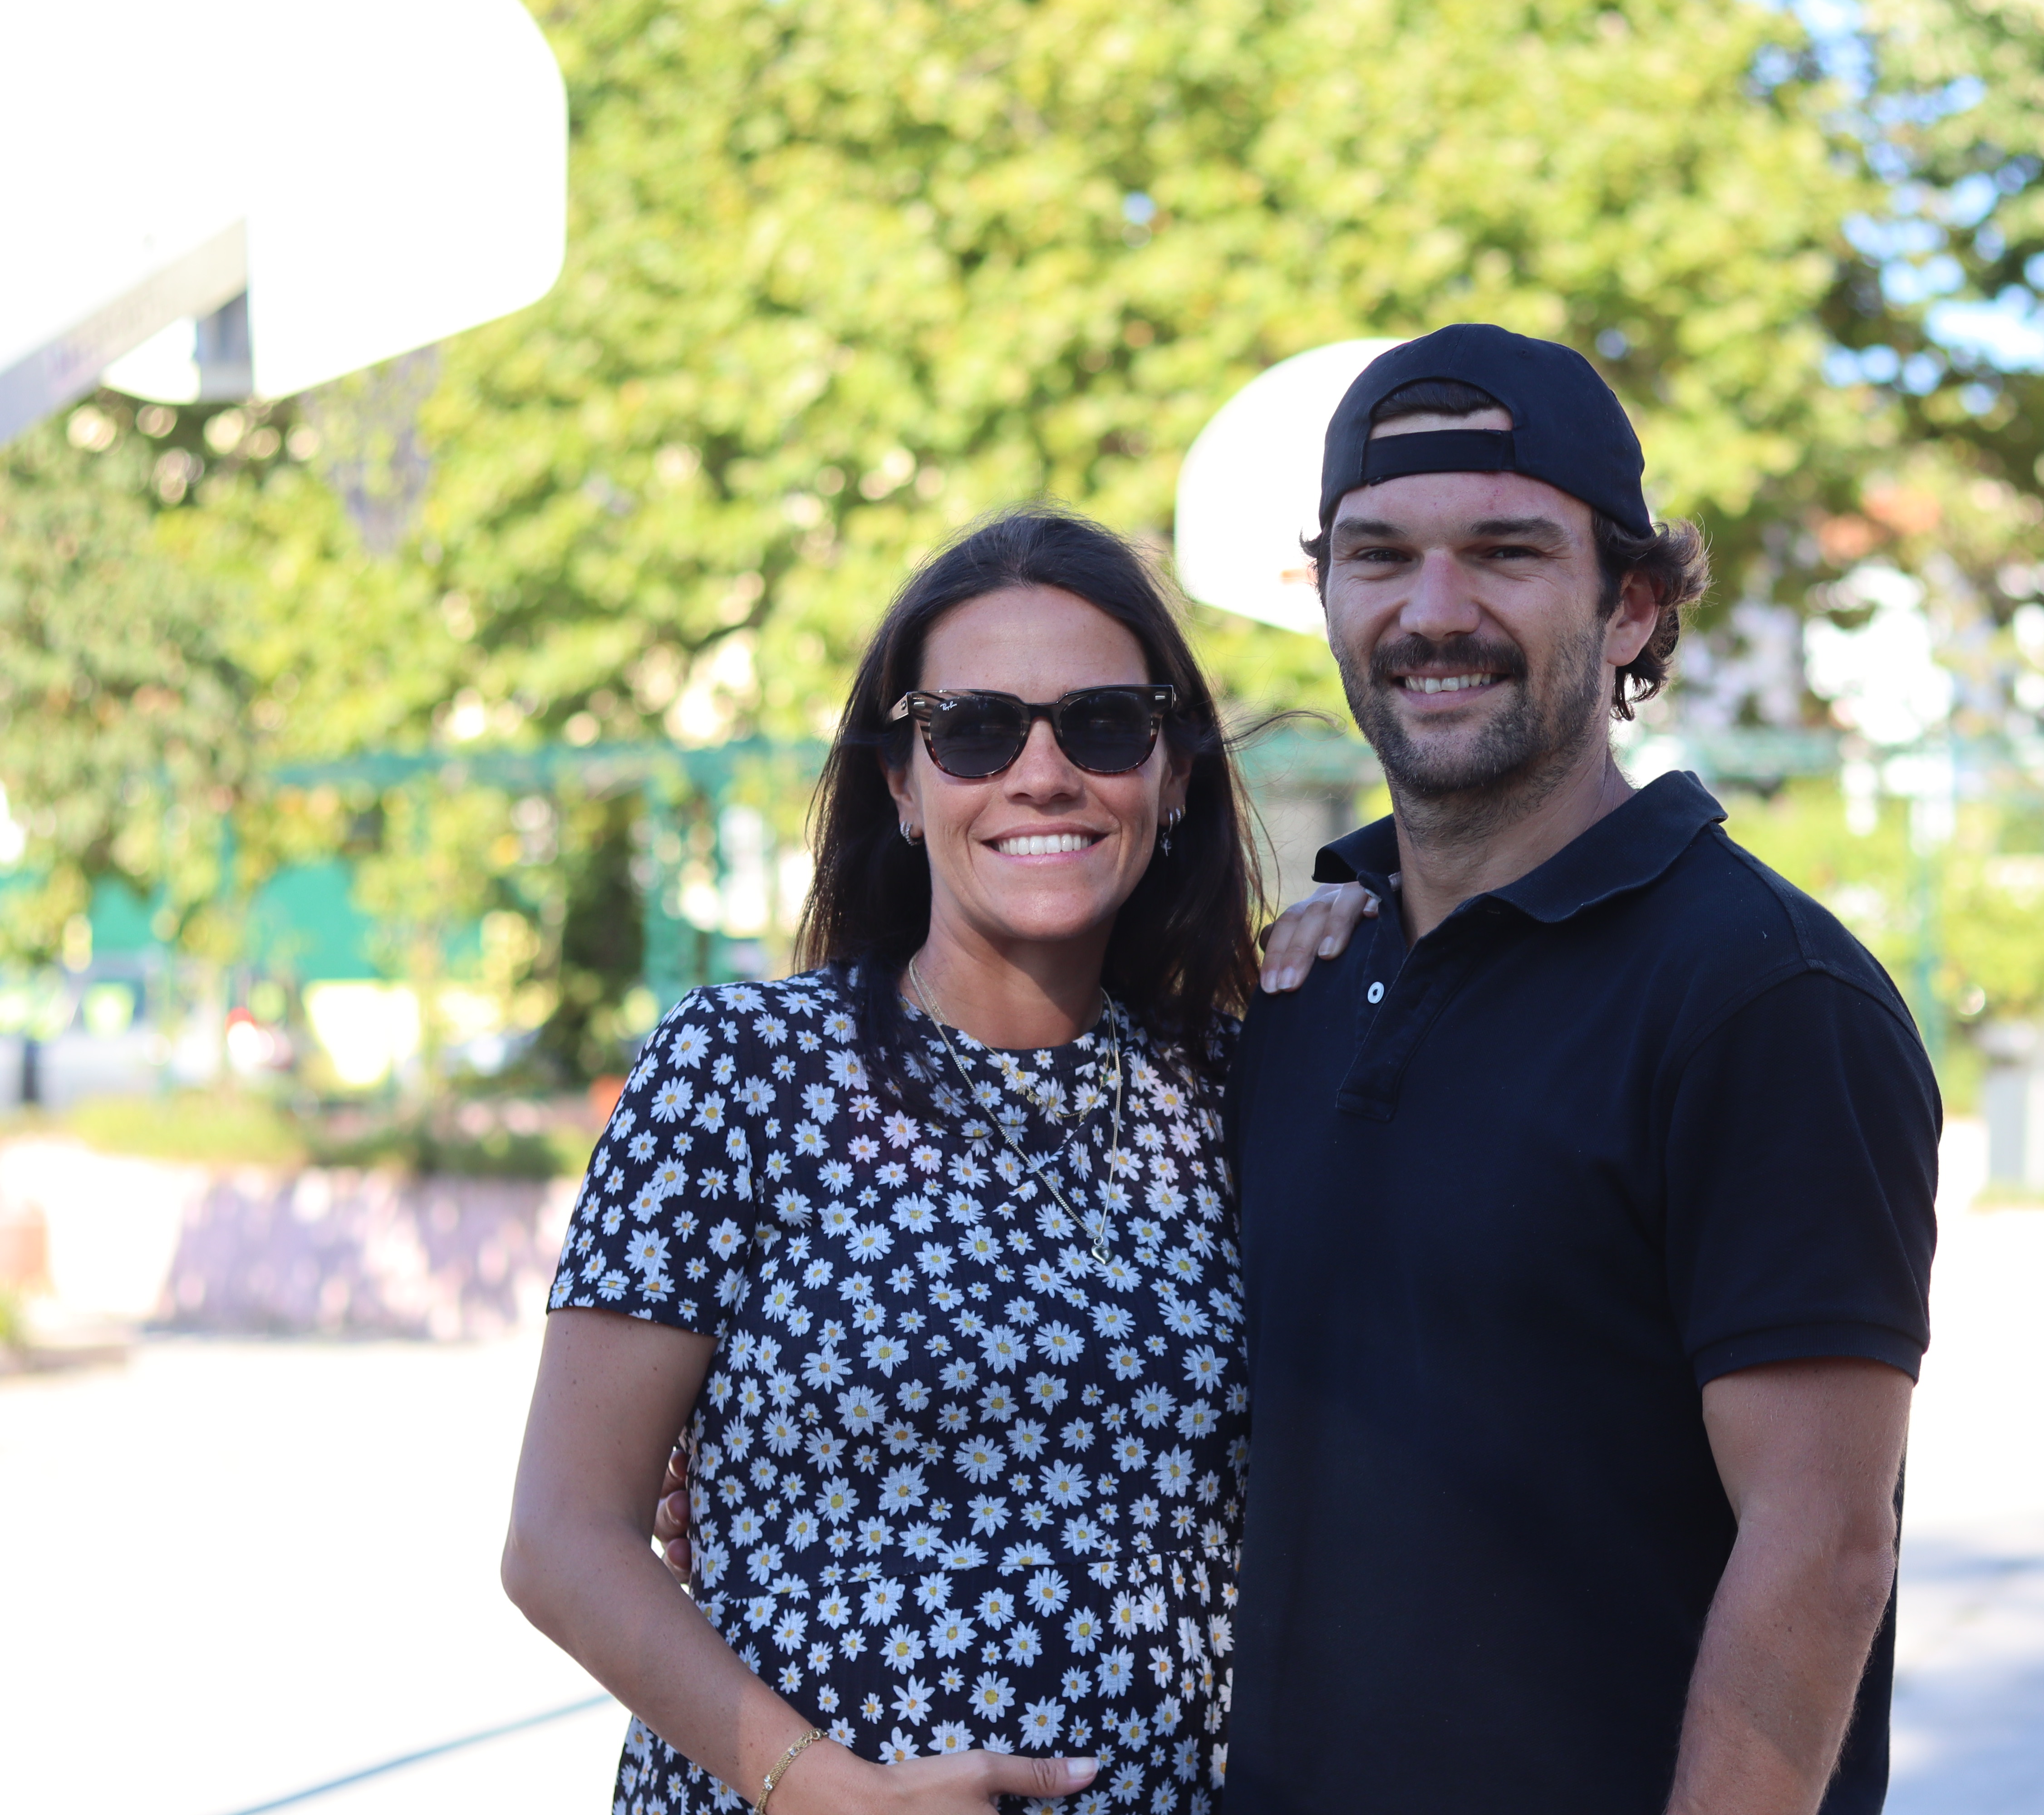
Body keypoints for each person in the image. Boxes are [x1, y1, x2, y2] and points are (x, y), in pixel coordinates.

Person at [503, 507, 1364, 1815]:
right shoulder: (743, 1072)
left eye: (1104, 725)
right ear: (903, 785)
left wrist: (1381, 915)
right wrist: (825, 1789)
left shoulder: (1242, 1089)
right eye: (973, 730)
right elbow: (564, 1538)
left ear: (1175, 773)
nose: (1041, 773)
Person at [1218, 324, 1941, 1815]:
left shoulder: (1764, 999)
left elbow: (1822, 1548)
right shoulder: (1306, 981)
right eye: (1379, 556)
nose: (1435, 611)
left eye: (1506, 552)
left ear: (1632, 607)